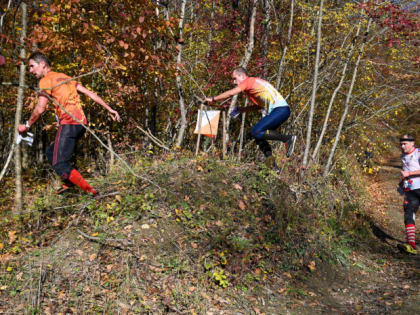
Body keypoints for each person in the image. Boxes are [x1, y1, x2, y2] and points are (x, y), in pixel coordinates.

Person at [18, 52, 121, 196]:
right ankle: (68, 183)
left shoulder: (45, 81)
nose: (30, 70)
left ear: (42, 65)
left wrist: (27, 125)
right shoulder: (65, 77)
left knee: (59, 163)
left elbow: (40, 108)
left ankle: (92, 192)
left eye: (32, 66)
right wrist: (109, 109)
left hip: (69, 122)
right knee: (51, 152)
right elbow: (89, 93)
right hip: (81, 124)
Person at [205, 67, 296, 168]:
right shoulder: (253, 87)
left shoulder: (248, 81)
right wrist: (242, 109)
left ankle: (287, 139)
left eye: (235, 78)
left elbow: (232, 93)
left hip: (280, 110)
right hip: (281, 111)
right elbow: (258, 106)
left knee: (256, 131)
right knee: (258, 136)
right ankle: (273, 166)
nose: (234, 82)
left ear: (242, 76)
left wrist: (213, 99)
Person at [399, 134, 420, 254]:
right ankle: (411, 245)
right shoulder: (403, 156)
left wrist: (409, 174)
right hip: (411, 190)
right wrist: (402, 183)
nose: (402, 146)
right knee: (408, 213)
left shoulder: (418, 153)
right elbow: (406, 173)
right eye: (401, 144)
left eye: (405, 143)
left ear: (412, 143)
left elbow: (409, 172)